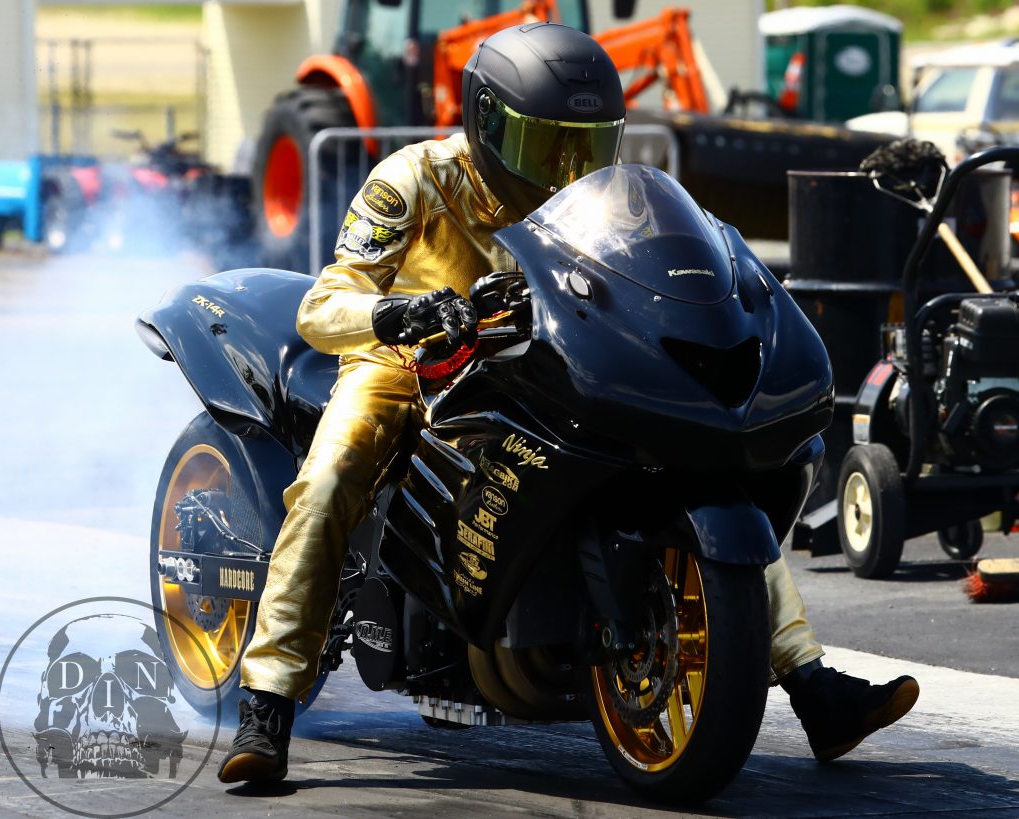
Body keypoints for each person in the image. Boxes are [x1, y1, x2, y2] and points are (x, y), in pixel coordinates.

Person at [217, 22, 919, 786]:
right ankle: (269, 700)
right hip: (408, 366)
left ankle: (811, 683)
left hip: (534, 363)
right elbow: (326, 303)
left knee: (699, 460)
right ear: (486, 123)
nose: (564, 166)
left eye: (584, 145)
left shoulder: (603, 199)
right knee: (328, 481)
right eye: (543, 144)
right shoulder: (412, 178)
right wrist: (398, 314)